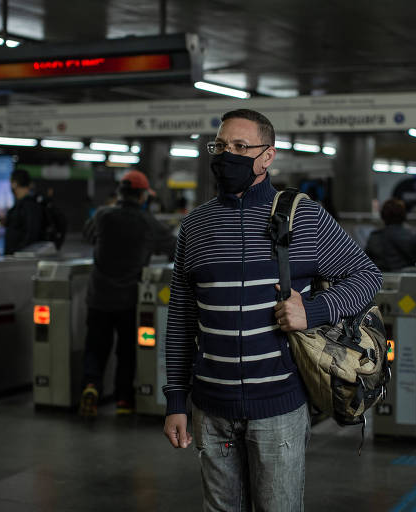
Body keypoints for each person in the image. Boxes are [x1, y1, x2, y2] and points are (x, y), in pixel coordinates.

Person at [162, 109, 382, 511]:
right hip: (211, 410)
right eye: (221, 146)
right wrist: (177, 400)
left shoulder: (304, 217)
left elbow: (367, 276)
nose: (227, 155)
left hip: (279, 408)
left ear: (267, 157)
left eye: (241, 147)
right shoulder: (195, 227)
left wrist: (313, 311)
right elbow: (180, 319)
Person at [78, 170, 176, 417]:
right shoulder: (148, 222)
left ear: (120, 193)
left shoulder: (102, 215)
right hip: (129, 299)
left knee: (95, 347)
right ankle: (124, 400)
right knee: (126, 351)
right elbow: (175, 247)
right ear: (143, 195)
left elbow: (87, 235)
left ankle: (91, 386)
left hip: (98, 296)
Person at [365, 198, 416, 271]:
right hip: (412, 280)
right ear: (404, 215)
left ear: (383, 216)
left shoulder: (374, 237)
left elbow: (365, 264)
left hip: (383, 280)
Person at [0, 169, 44, 255]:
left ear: (15, 184)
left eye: (11, 182)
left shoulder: (29, 205)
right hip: (15, 258)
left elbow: (31, 234)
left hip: (20, 261)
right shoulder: (22, 204)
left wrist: (18, 253)